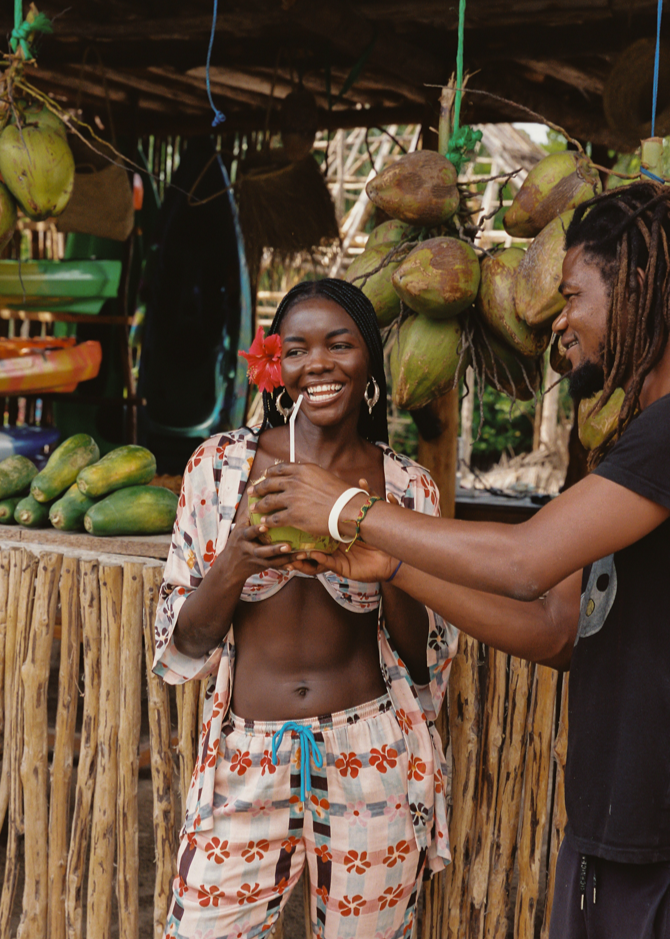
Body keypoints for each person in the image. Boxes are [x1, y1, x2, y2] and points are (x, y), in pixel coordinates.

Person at [249, 182, 670, 939]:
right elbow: (553, 626)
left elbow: (526, 560)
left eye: (573, 295)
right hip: (616, 831)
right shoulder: (638, 438)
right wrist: (395, 565)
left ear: (637, 284)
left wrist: (347, 510)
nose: (557, 321)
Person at [153, 278, 458, 939]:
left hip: (371, 753)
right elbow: (183, 641)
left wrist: (382, 544)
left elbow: (422, 659)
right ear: (276, 366)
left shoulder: (404, 486)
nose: (318, 363)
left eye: (339, 343)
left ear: (369, 360)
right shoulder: (221, 469)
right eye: (297, 349)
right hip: (247, 757)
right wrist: (238, 556)